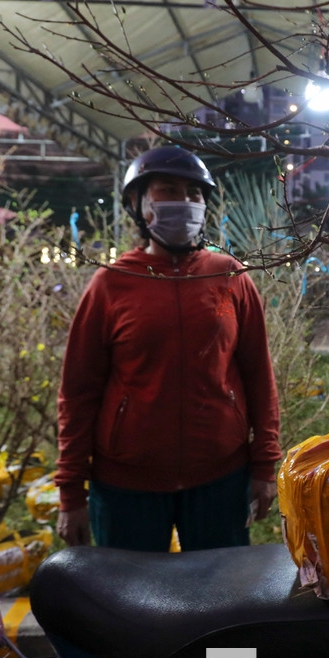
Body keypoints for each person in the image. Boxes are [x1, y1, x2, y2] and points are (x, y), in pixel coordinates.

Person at [54, 145, 280, 552]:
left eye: (195, 194)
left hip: (220, 480)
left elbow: (259, 376)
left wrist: (265, 465)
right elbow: (78, 392)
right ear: (138, 203)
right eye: (169, 190)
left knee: (218, 589)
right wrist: (70, 492)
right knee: (128, 592)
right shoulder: (110, 284)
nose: (185, 201)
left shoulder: (229, 277)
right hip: (125, 487)